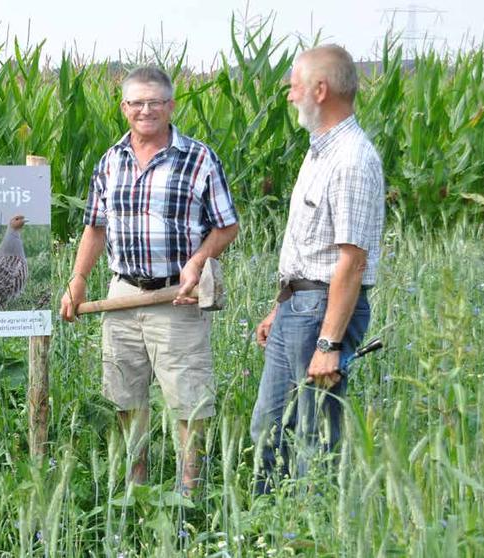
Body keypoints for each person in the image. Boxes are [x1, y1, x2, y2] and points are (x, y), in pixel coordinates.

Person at [60, 67, 239, 491]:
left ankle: (189, 491)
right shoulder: (110, 161)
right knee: (124, 395)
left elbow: (227, 225)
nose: (146, 110)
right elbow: (95, 227)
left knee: (187, 400)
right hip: (121, 294)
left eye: (155, 102)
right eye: (136, 102)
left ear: (171, 106)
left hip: (176, 298)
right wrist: (78, 278)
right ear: (124, 108)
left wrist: (198, 261)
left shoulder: (198, 158)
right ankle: (136, 483)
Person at [249, 45, 385, 494]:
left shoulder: (352, 159)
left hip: (322, 311)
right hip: (298, 306)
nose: (289, 95)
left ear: (320, 90)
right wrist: (279, 308)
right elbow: (310, 247)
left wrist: (328, 343)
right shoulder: (319, 152)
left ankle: (310, 532)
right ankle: (267, 529)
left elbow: (352, 261)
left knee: (313, 438)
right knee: (268, 431)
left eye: (294, 85)